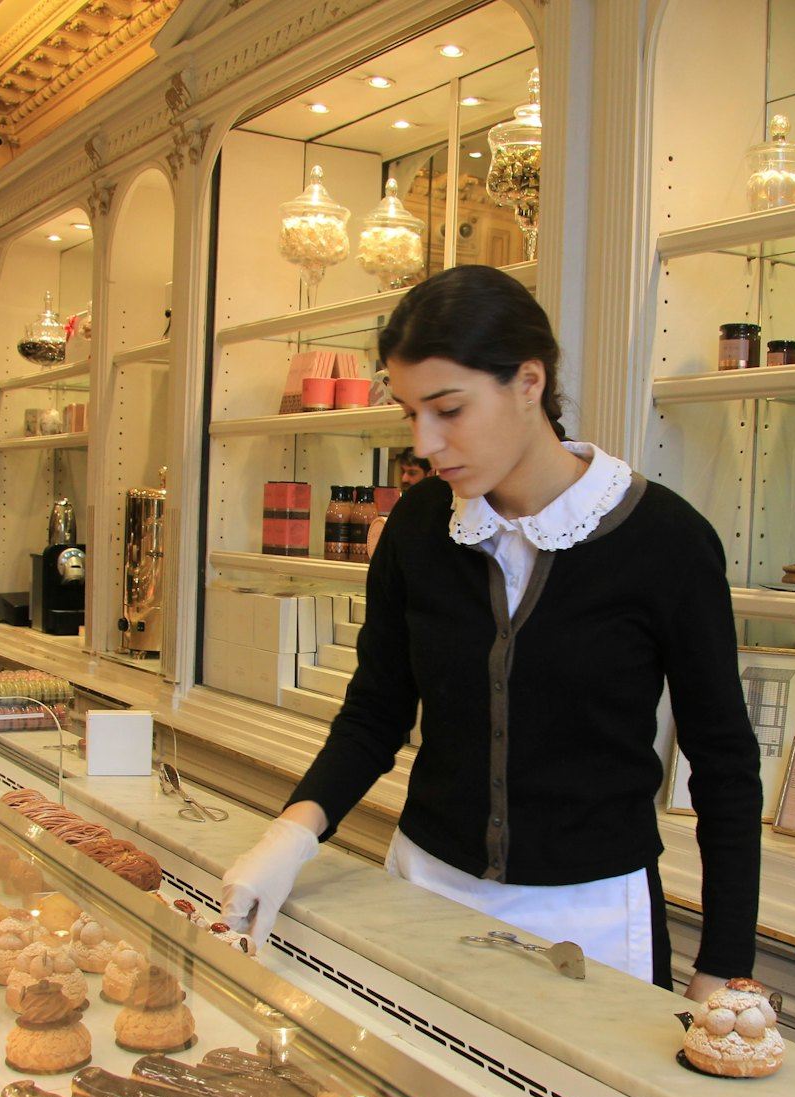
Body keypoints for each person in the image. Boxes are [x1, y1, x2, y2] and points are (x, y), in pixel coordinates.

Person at [222, 265, 762, 999]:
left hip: (592, 919)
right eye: (410, 413)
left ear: (529, 382)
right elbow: (375, 713)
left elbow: (725, 764)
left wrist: (724, 966)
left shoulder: (666, 542)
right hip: (425, 891)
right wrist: (290, 835)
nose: (426, 442)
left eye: (449, 409)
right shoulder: (418, 528)